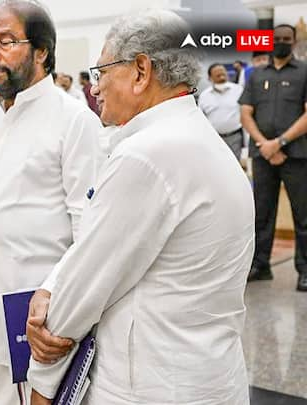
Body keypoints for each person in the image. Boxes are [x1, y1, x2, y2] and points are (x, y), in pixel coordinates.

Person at [25, 10, 254, 405]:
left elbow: (89, 281)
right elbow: (105, 241)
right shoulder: (197, 137)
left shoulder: (148, 155)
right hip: (206, 375)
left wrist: (42, 381)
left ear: (141, 71)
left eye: (101, 73)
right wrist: (50, 285)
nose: (95, 89)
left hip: (151, 384)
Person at [0, 2, 103, 403]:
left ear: (42, 51)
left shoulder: (74, 120)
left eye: (6, 42)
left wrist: (57, 300)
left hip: (37, 316)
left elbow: (91, 232)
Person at [240, 24, 307, 291]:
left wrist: (279, 143)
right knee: (261, 214)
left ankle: (304, 270)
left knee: (303, 216)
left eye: (285, 39)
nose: (280, 42)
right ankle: (260, 266)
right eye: (276, 38)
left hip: (297, 155)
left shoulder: (304, 71)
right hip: (262, 155)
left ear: (293, 42)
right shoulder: (255, 75)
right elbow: (246, 113)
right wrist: (264, 144)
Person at [198, 63, 244, 160]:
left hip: (235, 137)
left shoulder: (238, 90)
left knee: (235, 166)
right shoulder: (204, 96)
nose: (222, 76)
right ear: (210, 78)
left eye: (223, 73)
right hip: (215, 138)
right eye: (217, 75)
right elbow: (201, 119)